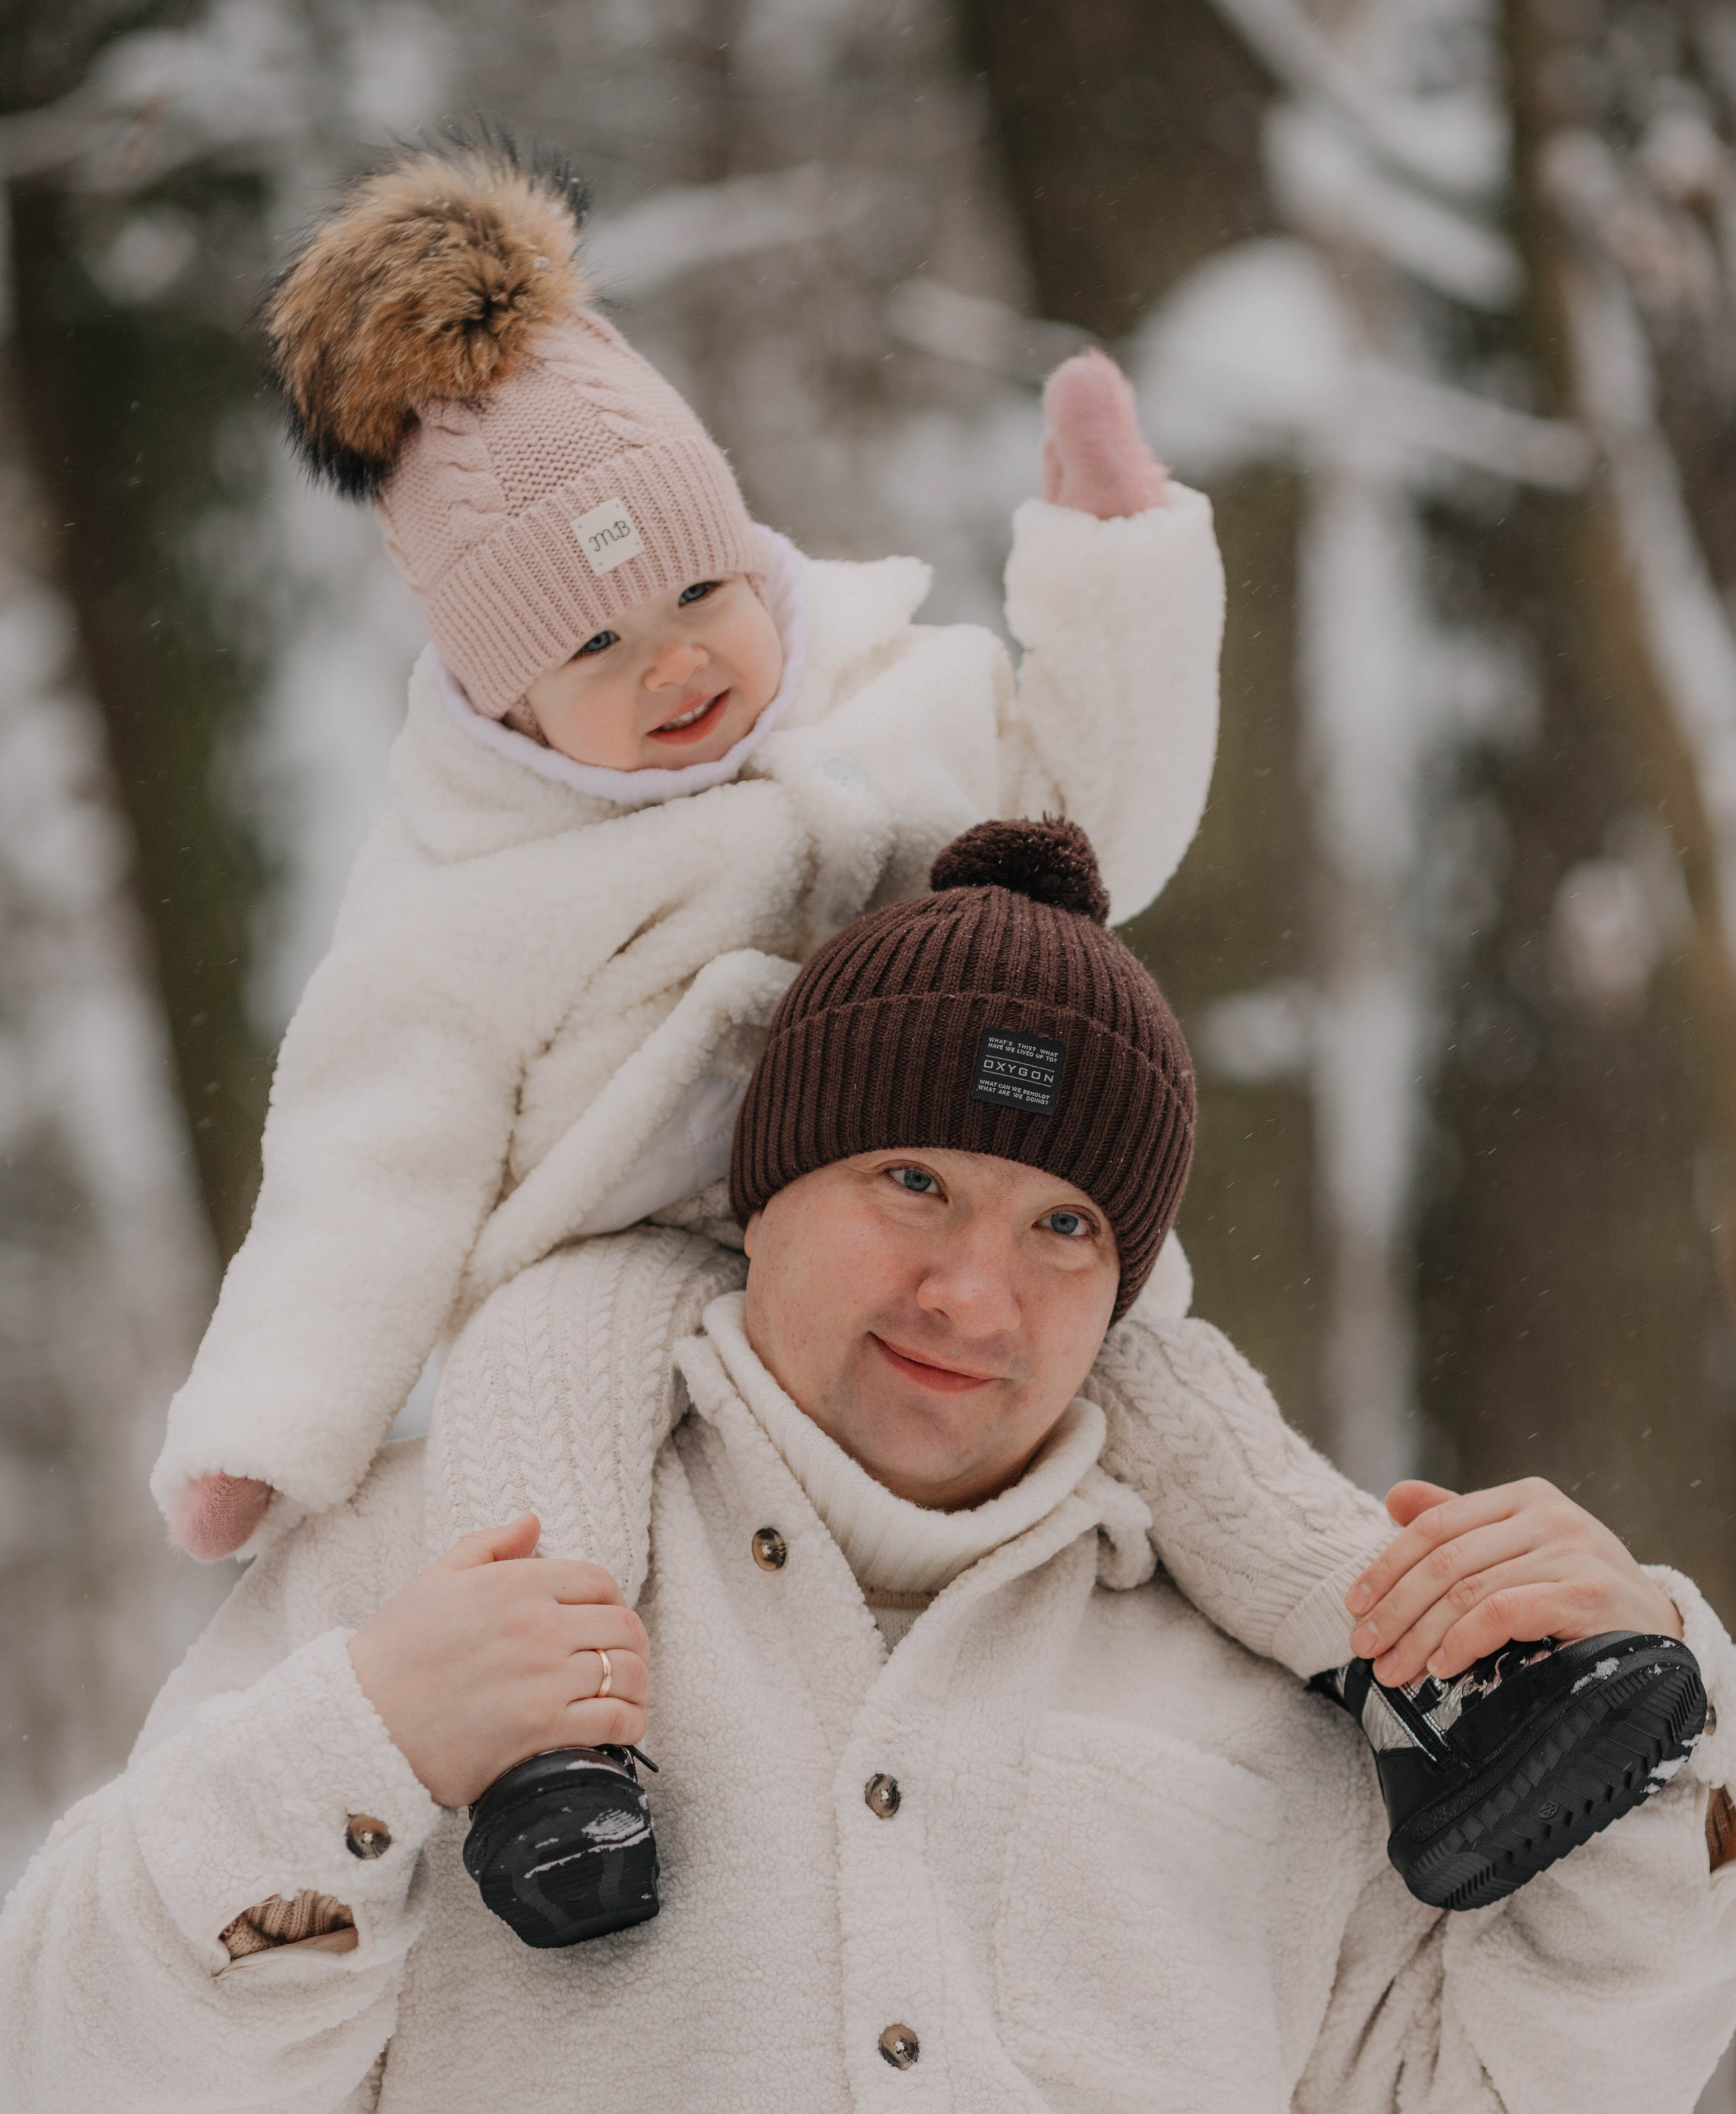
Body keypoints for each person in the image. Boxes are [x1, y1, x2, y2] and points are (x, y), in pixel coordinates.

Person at [5, 822, 1734, 2114]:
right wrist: (360, 1744)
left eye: (1064, 1224)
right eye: (913, 1179)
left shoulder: (1257, 1667)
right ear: (768, 1185)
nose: (975, 1296)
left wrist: (1659, 1738)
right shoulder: (444, 1564)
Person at [155, 135, 1224, 1563]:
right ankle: (564, 1747)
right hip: (644, 1250)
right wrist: (272, 1420)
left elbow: (1103, 831)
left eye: (697, 590)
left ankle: (1405, 1650)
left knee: (1160, 1359)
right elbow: (367, 1167)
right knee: (546, 1363)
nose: (674, 663)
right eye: (596, 643)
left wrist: (1115, 567)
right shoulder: (468, 893)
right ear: (505, 699)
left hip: (941, 1214)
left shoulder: (902, 697)